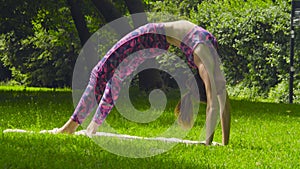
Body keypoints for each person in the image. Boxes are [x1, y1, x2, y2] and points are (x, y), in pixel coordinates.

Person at [47, 20, 230, 145]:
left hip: (155, 39)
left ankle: (70, 128)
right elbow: (216, 104)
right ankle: (92, 127)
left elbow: (222, 104)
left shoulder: (207, 53)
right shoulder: (205, 57)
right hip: (152, 36)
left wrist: (220, 143)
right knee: (111, 75)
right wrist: (210, 143)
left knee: (100, 73)